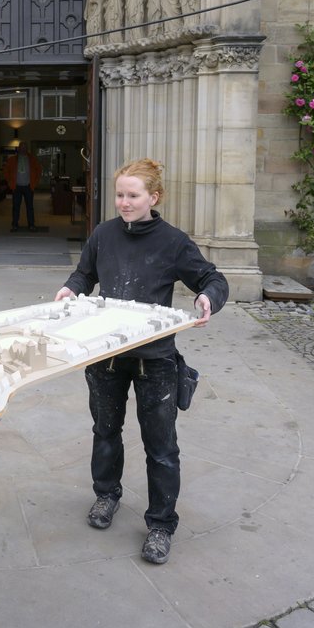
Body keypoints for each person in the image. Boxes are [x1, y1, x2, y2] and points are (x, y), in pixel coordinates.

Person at [54, 158, 228, 565]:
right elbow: (84, 275)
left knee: (162, 446)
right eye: (119, 195)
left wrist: (207, 299)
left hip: (157, 360)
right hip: (107, 356)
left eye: (133, 196)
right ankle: (106, 496)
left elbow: (212, 279)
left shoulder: (173, 241)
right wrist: (69, 288)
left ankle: (161, 524)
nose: (124, 203)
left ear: (154, 197)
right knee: (105, 431)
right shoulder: (104, 234)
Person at [3, 141, 42, 232]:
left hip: (28, 186)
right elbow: (6, 171)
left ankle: (31, 224)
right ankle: (15, 225)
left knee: (30, 207)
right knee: (16, 207)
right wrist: (10, 182)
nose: (23, 149)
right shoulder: (12, 160)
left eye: (25, 147)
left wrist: (35, 183)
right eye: (22, 147)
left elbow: (39, 170)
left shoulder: (32, 159)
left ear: (27, 149)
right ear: (19, 148)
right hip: (16, 187)